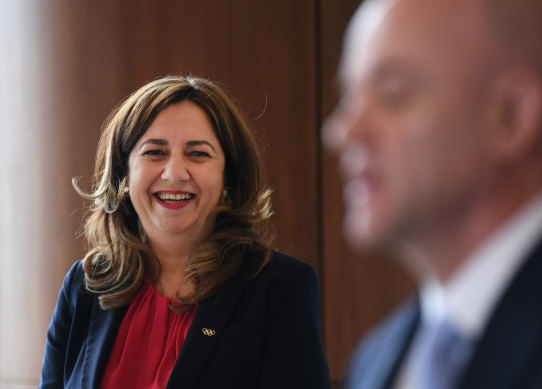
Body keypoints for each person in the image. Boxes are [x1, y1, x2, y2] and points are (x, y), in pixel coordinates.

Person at [323, 0, 542, 388]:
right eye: (350, 97)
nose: (342, 133)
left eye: (392, 93)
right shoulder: (375, 359)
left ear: (512, 115)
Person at [40, 75, 330, 388]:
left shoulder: (280, 288)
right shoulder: (84, 286)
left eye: (198, 154)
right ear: (124, 172)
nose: (175, 173)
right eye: (154, 152)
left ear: (228, 176)